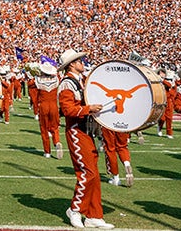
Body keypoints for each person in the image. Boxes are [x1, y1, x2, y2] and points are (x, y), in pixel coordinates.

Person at [57, 49, 113, 229]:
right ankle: (75, 209)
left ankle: (94, 215)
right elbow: (67, 110)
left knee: (94, 175)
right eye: (79, 60)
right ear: (72, 64)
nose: (83, 61)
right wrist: (89, 109)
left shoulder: (79, 81)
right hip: (76, 131)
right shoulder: (67, 84)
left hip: (86, 131)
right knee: (87, 172)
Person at [34, 63, 62, 158]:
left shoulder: (38, 80)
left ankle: (47, 152)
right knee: (55, 126)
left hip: (43, 105)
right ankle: (57, 141)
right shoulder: (56, 79)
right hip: (54, 105)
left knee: (44, 128)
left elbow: (33, 89)